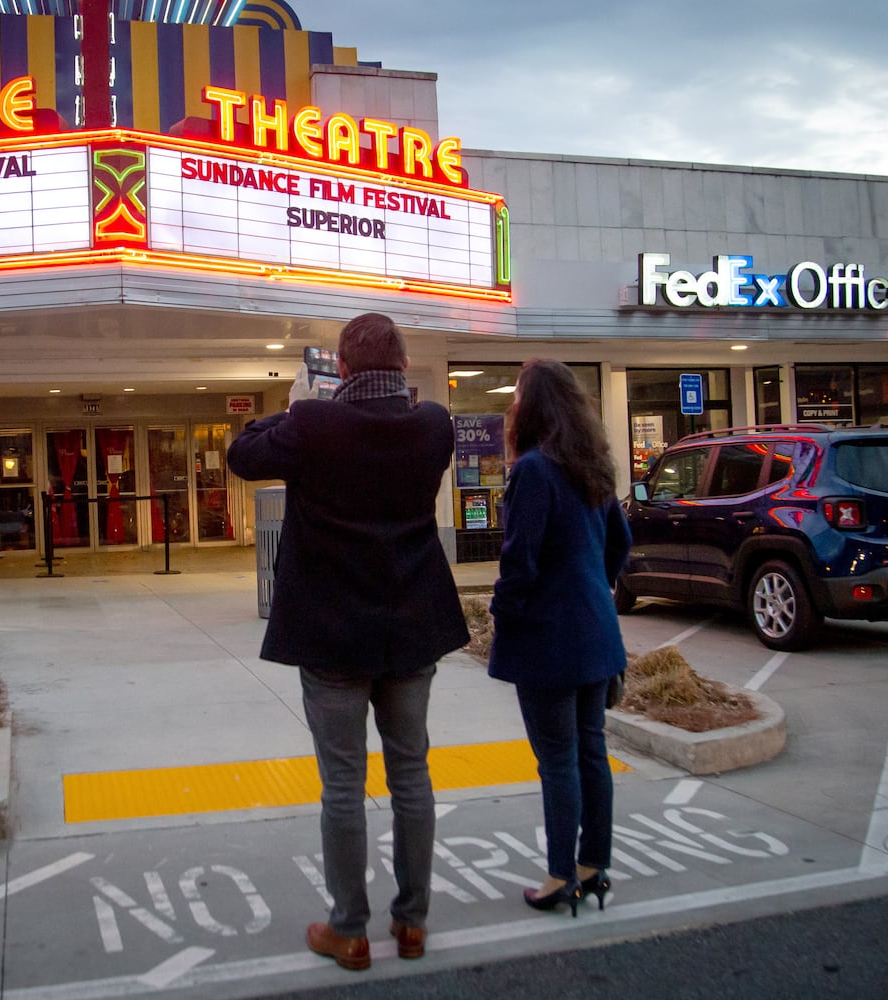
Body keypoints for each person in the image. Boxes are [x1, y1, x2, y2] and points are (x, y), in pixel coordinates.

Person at [227, 312, 469, 971]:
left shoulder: (312, 425)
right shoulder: (433, 426)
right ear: (399, 361)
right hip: (412, 627)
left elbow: (242, 454)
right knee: (411, 775)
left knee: (342, 783)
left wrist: (296, 406)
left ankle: (350, 930)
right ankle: (412, 924)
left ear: (341, 364)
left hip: (332, 634)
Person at [487, 359, 631, 918]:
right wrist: (591, 587)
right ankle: (594, 867)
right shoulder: (592, 467)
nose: (513, 405)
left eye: (519, 395)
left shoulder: (533, 472)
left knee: (558, 761)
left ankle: (559, 876)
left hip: (548, 640)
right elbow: (620, 543)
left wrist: (505, 614)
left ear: (533, 407)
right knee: (591, 752)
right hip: (597, 634)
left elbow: (518, 562)